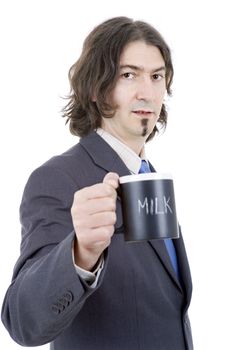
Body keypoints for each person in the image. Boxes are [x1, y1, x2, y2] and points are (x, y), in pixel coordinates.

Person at [1, 16, 193, 350]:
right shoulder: (58, 177)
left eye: (156, 76)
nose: (146, 92)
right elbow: (23, 321)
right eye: (128, 75)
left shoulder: (148, 176)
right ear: (95, 87)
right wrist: (80, 254)